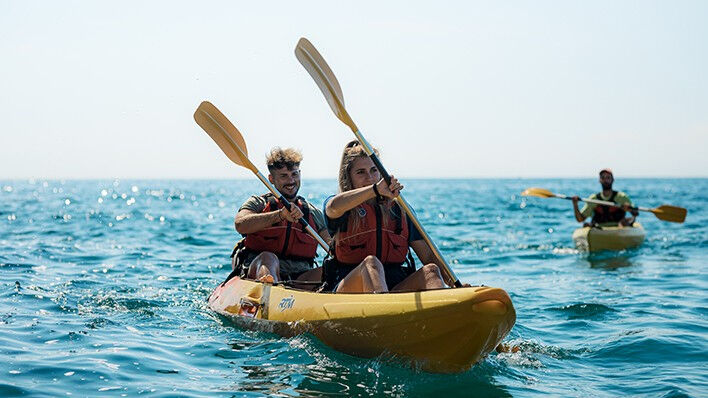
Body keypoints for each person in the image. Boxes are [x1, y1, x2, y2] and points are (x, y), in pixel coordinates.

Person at [322, 140, 446, 293]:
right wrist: (374, 189)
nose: (369, 177)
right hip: (350, 287)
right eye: (361, 172)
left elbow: (427, 256)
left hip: (394, 287)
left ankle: (445, 310)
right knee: (371, 264)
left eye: (374, 170)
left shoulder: (400, 209)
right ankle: (384, 310)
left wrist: (456, 286)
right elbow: (332, 207)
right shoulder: (340, 205)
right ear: (349, 177)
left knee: (431, 271)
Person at [233, 147, 331, 286]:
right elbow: (240, 224)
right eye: (284, 176)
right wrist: (280, 215)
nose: (291, 181)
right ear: (271, 179)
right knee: (269, 258)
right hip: (259, 272)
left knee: (331, 270)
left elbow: (331, 244)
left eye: (294, 174)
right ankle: (272, 290)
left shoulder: (312, 212)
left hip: (299, 277)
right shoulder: (258, 203)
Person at [572, 168, 639, 227]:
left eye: (608, 177)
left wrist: (629, 209)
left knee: (626, 222)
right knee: (586, 224)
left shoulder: (621, 197)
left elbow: (635, 213)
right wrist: (575, 205)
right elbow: (580, 219)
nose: (605, 180)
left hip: (618, 228)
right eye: (603, 178)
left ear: (612, 180)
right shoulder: (594, 199)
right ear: (600, 180)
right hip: (599, 229)